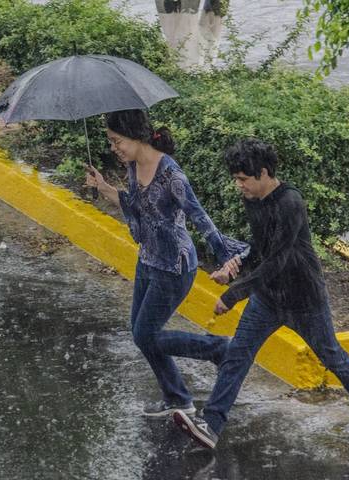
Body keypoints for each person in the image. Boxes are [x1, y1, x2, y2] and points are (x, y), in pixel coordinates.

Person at [173, 138, 349, 449]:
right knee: (238, 354)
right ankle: (211, 426)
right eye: (235, 179)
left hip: (304, 298)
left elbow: (279, 258)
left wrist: (232, 295)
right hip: (267, 299)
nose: (238, 185)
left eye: (243, 179)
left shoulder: (290, 202)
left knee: (330, 354)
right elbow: (260, 249)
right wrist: (236, 264)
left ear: (264, 173)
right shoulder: (253, 200)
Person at [86, 109, 248, 417]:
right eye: (110, 142)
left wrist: (226, 260)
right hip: (148, 260)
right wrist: (103, 186)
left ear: (136, 135)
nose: (114, 148)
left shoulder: (171, 175)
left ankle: (219, 349)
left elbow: (201, 219)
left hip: (175, 267)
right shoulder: (134, 166)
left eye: (117, 141)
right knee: (142, 333)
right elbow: (137, 206)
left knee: (145, 335)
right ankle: (177, 397)